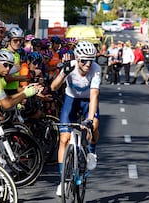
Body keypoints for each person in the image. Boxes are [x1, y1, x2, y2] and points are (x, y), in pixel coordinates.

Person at [50, 41, 101, 196]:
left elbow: (94, 96)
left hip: (87, 101)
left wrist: (90, 120)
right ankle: (62, 180)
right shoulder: (69, 66)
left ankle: (91, 151)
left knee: (95, 125)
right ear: (77, 58)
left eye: (91, 60)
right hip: (71, 99)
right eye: (84, 60)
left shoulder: (96, 69)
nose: (88, 64)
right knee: (64, 138)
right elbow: (53, 87)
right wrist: (63, 73)